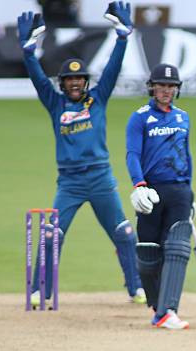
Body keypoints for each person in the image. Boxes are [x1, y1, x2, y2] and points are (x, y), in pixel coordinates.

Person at [17, 3, 146, 306]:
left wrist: (122, 38)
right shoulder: (55, 104)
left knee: (125, 234)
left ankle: (136, 287)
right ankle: (40, 290)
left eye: (79, 79)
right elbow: (37, 78)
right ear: (62, 84)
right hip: (70, 183)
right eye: (69, 80)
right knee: (52, 236)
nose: (75, 83)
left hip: (101, 178)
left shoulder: (98, 99)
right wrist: (28, 53)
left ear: (85, 82)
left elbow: (113, 68)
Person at [125, 63, 194, 330]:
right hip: (150, 191)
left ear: (177, 89)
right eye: (161, 85)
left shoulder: (183, 117)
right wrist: (138, 185)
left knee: (176, 250)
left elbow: (186, 155)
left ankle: (169, 311)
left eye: (171, 86)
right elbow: (132, 154)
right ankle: (158, 309)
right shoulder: (140, 117)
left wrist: (190, 192)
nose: (166, 90)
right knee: (148, 253)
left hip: (179, 191)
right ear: (152, 88)